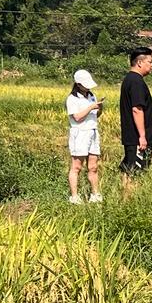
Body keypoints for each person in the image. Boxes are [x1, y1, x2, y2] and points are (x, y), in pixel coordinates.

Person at [119, 47, 152, 186]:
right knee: (136, 171)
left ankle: (126, 198)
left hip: (135, 136)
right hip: (138, 138)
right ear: (140, 63)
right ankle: (129, 201)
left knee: (129, 169)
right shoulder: (136, 81)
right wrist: (142, 136)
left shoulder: (131, 79)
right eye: (150, 61)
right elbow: (137, 109)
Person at [66, 69, 103, 204]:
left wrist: (99, 108)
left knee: (93, 166)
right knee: (77, 166)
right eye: (85, 85)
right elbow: (77, 118)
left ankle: (95, 194)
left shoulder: (91, 95)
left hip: (93, 131)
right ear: (78, 84)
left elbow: (96, 115)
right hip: (80, 133)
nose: (87, 88)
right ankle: (74, 196)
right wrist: (90, 107)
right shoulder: (72, 99)